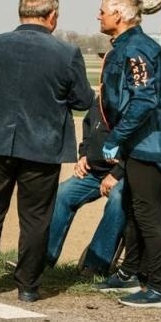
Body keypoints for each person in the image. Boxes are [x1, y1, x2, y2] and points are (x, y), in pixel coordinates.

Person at [0, 0, 93, 302]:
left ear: (21, 12)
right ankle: (28, 285)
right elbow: (83, 99)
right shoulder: (66, 53)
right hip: (43, 146)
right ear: (52, 16)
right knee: (35, 217)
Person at [85, 0, 161, 309]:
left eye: (103, 11)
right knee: (131, 207)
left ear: (120, 15)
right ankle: (129, 273)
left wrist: (116, 138)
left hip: (148, 144)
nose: (98, 16)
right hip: (136, 143)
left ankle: (157, 287)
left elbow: (144, 99)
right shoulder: (126, 45)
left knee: (146, 213)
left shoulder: (138, 47)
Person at [45, 71, 127, 278]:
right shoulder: (100, 99)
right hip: (94, 170)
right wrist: (83, 156)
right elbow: (88, 128)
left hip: (123, 173)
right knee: (63, 194)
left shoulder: (133, 100)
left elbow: (137, 144)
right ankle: (43, 258)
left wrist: (116, 174)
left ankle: (95, 265)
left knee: (118, 200)